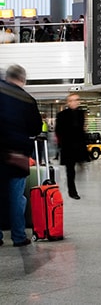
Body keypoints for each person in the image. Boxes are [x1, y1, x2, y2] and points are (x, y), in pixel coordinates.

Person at [0, 64, 43, 247]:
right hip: (17, 156)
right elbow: (35, 128)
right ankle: (18, 236)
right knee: (17, 197)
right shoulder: (27, 99)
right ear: (22, 80)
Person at [55, 92, 88, 200]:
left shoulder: (81, 114)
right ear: (68, 102)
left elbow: (82, 130)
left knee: (76, 168)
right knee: (70, 171)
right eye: (71, 100)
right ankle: (72, 191)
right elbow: (58, 131)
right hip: (68, 147)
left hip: (79, 146)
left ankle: (72, 190)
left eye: (76, 100)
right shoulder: (61, 115)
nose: (74, 102)